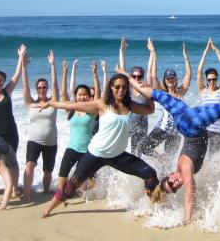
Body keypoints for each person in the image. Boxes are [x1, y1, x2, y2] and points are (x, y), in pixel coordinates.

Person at [119, 65, 220, 224]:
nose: (176, 185)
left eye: (171, 183)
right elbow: (191, 190)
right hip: (185, 116)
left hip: (193, 126)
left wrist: (187, 219)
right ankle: (127, 77)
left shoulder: (185, 170)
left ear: (169, 175)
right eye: (174, 189)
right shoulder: (181, 171)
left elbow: (190, 191)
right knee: (157, 95)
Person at [41, 72, 160, 218]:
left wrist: (147, 93)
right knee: (72, 186)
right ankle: (48, 209)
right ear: (111, 87)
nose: (121, 90)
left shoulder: (129, 105)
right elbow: (72, 105)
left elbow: (150, 109)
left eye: (124, 87)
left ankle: (153, 207)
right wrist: (51, 103)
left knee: (150, 175)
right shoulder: (102, 104)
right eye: (117, 87)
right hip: (96, 154)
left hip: (118, 156)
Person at [140, 39, 191, 162]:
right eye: (168, 78)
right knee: (144, 147)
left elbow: (189, 75)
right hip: (163, 128)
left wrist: (185, 57)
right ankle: (160, 158)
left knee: (169, 160)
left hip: (176, 133)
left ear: (176, 79)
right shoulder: (162, 93)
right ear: (165, 80)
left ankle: (165, 170)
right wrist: (154, 54)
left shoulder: (180, 92)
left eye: (172, 78)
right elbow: (153, 76)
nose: (170, 80)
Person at [56, 58, 101, 190]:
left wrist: (95, 75)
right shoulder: (71, 110)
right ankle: (61, 194)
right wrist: (65, 73)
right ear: (76, 96)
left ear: (89, 96)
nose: (82, 97)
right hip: (72, 148)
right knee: (63, 173)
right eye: (79, 95)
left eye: (85, 94)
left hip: (88, 150)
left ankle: (90, 195)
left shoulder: (92, 111)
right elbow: (64, 94)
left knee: (90, 177)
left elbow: (98, 96)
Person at [21, 48, 59, 200]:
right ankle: (26, 193)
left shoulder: (53, 102)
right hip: (34, 140)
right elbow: (24, 86)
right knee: (29, 165)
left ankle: (46, 191)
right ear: (36, 89)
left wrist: (52, 65)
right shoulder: (30, 103)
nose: (42, 89)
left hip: (51, 142)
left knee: (48, 170)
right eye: (39, 87)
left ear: (47, 89)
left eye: (44, 87)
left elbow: (55, 84)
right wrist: (24, 66)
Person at [196, 38, 220, 155]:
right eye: (209, 79)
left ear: (217, 79)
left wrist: (216, 51)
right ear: (206, 80)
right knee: (201, 158)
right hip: (204, 130)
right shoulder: (203, 91)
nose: (211, 82)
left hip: (218, 132)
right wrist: (206, 51)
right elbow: (199, 71)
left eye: (214, 79)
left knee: (212, 159)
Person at [119, 37, 149, 156]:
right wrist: (122, 51)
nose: (136, 78)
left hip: (142, 126)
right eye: (134, 76)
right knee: (119, 148)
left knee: (137, 152)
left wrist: (152, 53)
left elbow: (151, 72)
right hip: (128, 124)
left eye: (139, 76)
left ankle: (135, 167)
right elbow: (122, 71)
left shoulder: (146, 89)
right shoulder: (128, 88)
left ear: (143, 76)